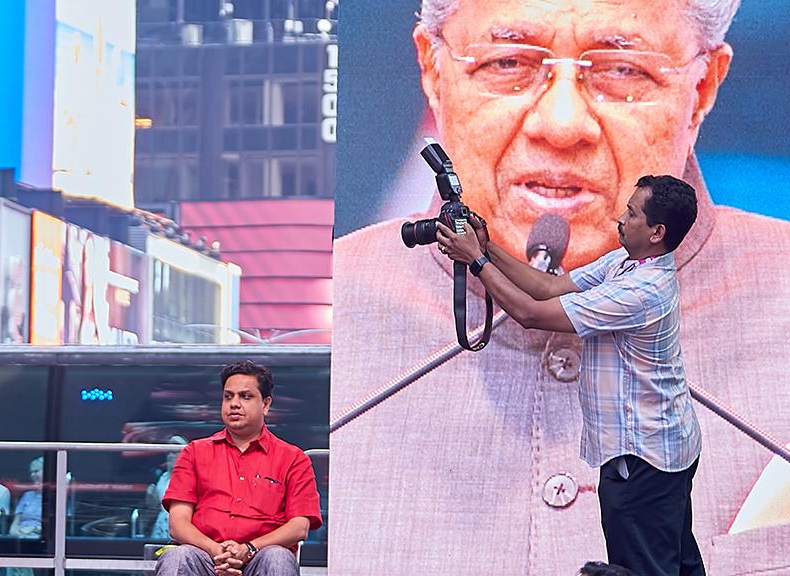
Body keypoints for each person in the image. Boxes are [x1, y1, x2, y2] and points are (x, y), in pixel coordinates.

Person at [331, 1, 790, 575]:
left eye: (622, 69)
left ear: (702, 88)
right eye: (507, 62)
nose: (562, 124)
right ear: (432, 70)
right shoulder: (312, 324)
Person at [439, 174, 702, 574]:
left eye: (632, 214)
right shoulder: (625, 262)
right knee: (676, 563)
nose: (621, 218)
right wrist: (487, 247)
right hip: (667, 446)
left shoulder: (642, 290)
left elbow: (530, 313)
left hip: (643, 459)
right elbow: (547, 287)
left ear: (657, 232)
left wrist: (475, 262)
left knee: (643, 567)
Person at [156, 361, 322, 576]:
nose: (234, 404)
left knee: (277, 558)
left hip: (261, 558)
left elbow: (299, 527)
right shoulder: (194, 452)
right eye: (228, 396)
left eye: (245, 396)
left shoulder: (293, 459)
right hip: (205, 556)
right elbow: (178, 524)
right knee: (177, 557)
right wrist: (216, 551)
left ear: (266, 404)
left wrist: (249, 549)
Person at [9, 456, 45, 539]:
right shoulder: (27, 495)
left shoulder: (56, 497)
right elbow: (14, 524)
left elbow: (56, 527)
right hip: (22, 537)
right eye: (31, 472)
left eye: (36, 471)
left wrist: (33, 529)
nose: (32, 475)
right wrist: (17, 534)